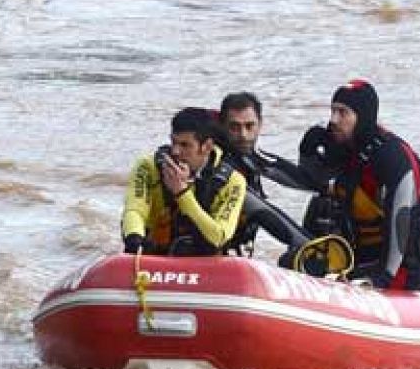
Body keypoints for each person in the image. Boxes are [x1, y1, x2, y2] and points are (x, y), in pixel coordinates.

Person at [298, 79, 420, 289]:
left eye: (343, 113)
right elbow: (311, 183)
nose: (334, 120)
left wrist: (383, 277)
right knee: (320, 204)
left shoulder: (392, 157)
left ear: (362, 117)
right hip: (355, 263)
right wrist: (307, 154)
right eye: (333, 111)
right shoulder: (345, 148)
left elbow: (402, 218)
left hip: (402, 270)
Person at [121, 107, 248, 256]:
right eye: (173, 142)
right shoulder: (148, 167)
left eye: (185, 145)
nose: (175, 151)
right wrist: (133, 240)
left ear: (206, 147)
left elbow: (219, 236)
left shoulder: (233, 182)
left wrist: (182, 193)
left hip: (206, 258)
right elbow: (135, 209)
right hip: (155, 254)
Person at [217, 91, 318, 256]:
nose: (243, 135)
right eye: (235, 127)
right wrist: (315, 249)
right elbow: (262, 211)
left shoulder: (251, 157)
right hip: (209, 258)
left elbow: (299, 179)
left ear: (260, 125)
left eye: (249, 126)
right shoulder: (220, 166)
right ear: (222, 126)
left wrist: (331, 184)